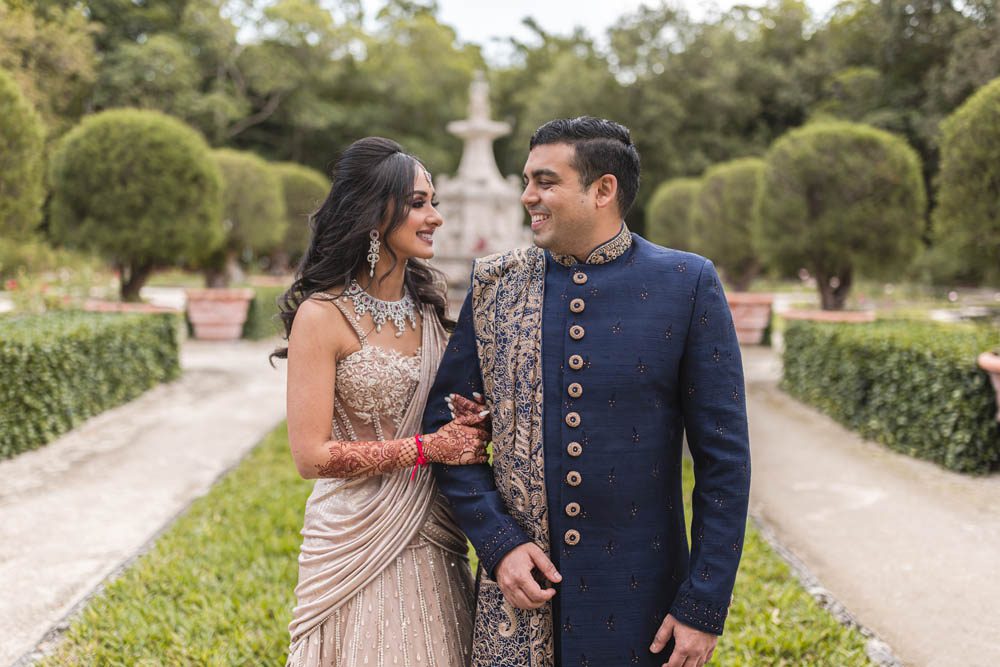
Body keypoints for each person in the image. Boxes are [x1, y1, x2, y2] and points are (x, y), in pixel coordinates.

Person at [422, 117, 751, 667]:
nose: (528, 196)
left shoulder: (686, 283)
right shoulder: (498, 284)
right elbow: (446, 429)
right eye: (527, 180)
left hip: (643, 599)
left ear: (603, 190)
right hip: (521, 597)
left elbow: (725, 462)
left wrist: (704, 603)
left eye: (546, 182)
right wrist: (499, 544)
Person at [274, 136, 490, 667]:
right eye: (418, 203)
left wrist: (473, 423)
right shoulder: (322, 316)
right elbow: (311, 457)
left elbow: (441, 413)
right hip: (355, 535)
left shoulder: (431, 308)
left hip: (431, 532)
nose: (436, 217)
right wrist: (427, 448)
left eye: (433, 201)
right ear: (375, 214)